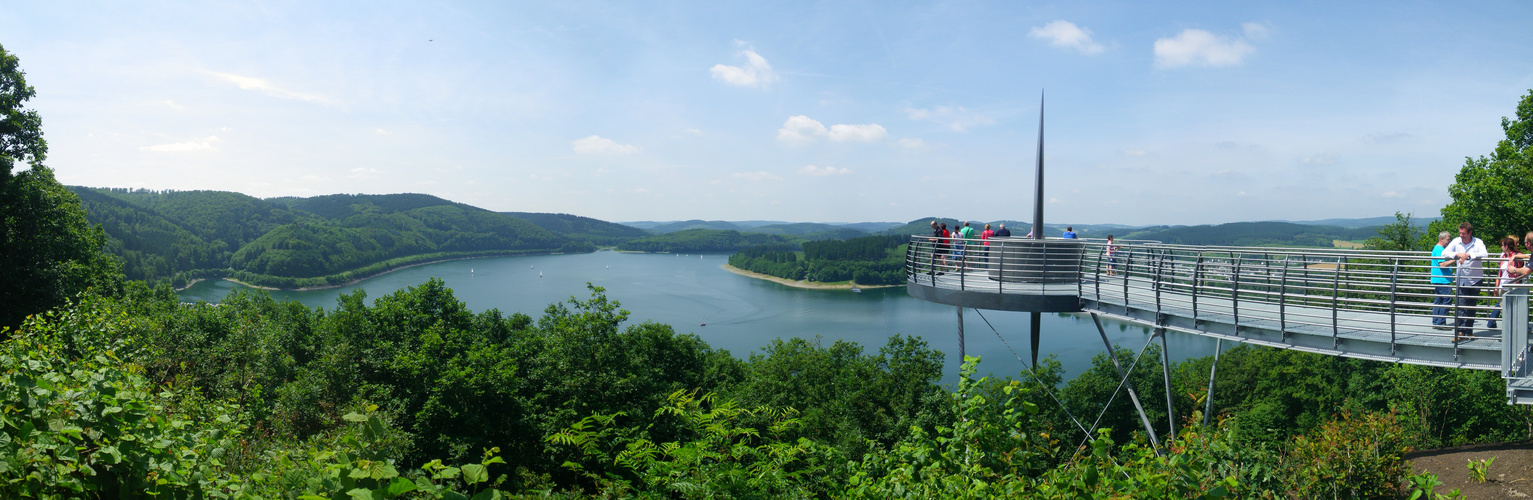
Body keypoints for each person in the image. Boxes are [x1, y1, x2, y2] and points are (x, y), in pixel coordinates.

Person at [1442, 222, 1488, 340]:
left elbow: (1485, 254)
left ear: (1470, 233)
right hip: (1461, 279)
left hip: (1475, 279)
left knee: (1471, 306)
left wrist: (1469, 255)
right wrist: (1457, 254)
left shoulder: (1478, 242)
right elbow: (1444, 253)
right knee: (1461, 305)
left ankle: (1469, 331)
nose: (1461, 235)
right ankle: (1459, 332)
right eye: (1460, 233)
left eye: (1463, 233)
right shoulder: (1456, 241)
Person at [1488, 236, 1524, 329]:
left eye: (1502, 245)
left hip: (1512, 288)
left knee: (1512, 311)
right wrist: (1496, 287)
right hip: (1502, 287)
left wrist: (1515, 256)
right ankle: (1507, 333)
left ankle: (1511, 332)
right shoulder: (1503, 256)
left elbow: (1529, 257)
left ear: (1507, 246)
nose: (1501, 247)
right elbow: (1499, 272)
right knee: (1504, 311)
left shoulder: (1516, 254)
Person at [1429, 231, 1453, 329]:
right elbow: (1442, 264)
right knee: (1447, 299)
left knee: (1438, 300)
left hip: (1437, 278)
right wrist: (1454, 259)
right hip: (1442, 279)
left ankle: (1436, 322)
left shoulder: (1437, 248)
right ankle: (1441, 322)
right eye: (1448, 239)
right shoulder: (1440, 249)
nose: (1449, 242)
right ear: (1441, 239)